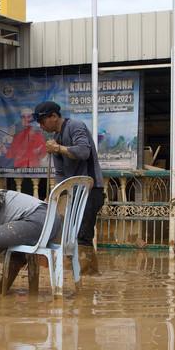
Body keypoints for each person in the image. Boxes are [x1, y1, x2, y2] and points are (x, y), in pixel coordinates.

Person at [34, 100, 105, 273]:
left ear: (54, 116)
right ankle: (88, 275)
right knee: (75, 235)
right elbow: (60, 174)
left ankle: (86, 283)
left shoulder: (75, 126)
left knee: (83, 236)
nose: (41, 127)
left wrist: (59, 149)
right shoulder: (56, 139)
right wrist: (56, 196)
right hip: (75, 193)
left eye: (43, 122)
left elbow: (83, 152)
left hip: (91, 189)